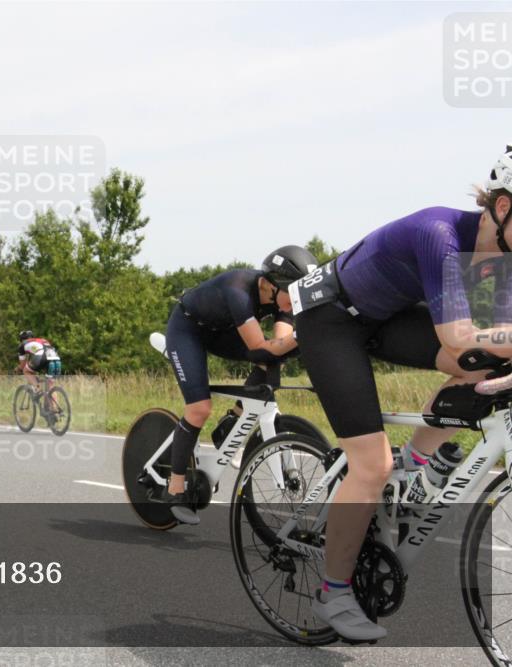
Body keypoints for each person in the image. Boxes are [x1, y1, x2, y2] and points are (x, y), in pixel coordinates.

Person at [294, 144, 512, 641]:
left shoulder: (498, 254)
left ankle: (415, 468)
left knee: (486, 362)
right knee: (372, 465)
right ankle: (333, 591)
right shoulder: (440, 234)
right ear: (502, 207)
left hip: (386, 317)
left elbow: (495, 338)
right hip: (332, 320)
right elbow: (458, 336)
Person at [155, 246, 318, 525]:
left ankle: (233, 419)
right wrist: (299, 340)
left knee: (271, 363)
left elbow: (278, 348)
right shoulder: (238, 290)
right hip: (188, 330)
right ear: (270, 284)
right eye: (291, 295)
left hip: (222, 332)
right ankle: (175, 488)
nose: (292, 305)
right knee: (199, 409)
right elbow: (260, 346)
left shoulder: (282, 300)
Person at [16, 331, 62, 395]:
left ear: (21, 339)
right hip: (56, 358)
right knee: (50, 388)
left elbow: (22, 365)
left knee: (26, 371)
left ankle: (38, 388)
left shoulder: (22, 344)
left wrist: (17, 369)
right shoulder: (42, 340)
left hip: (41, 356)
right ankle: (51, 405)